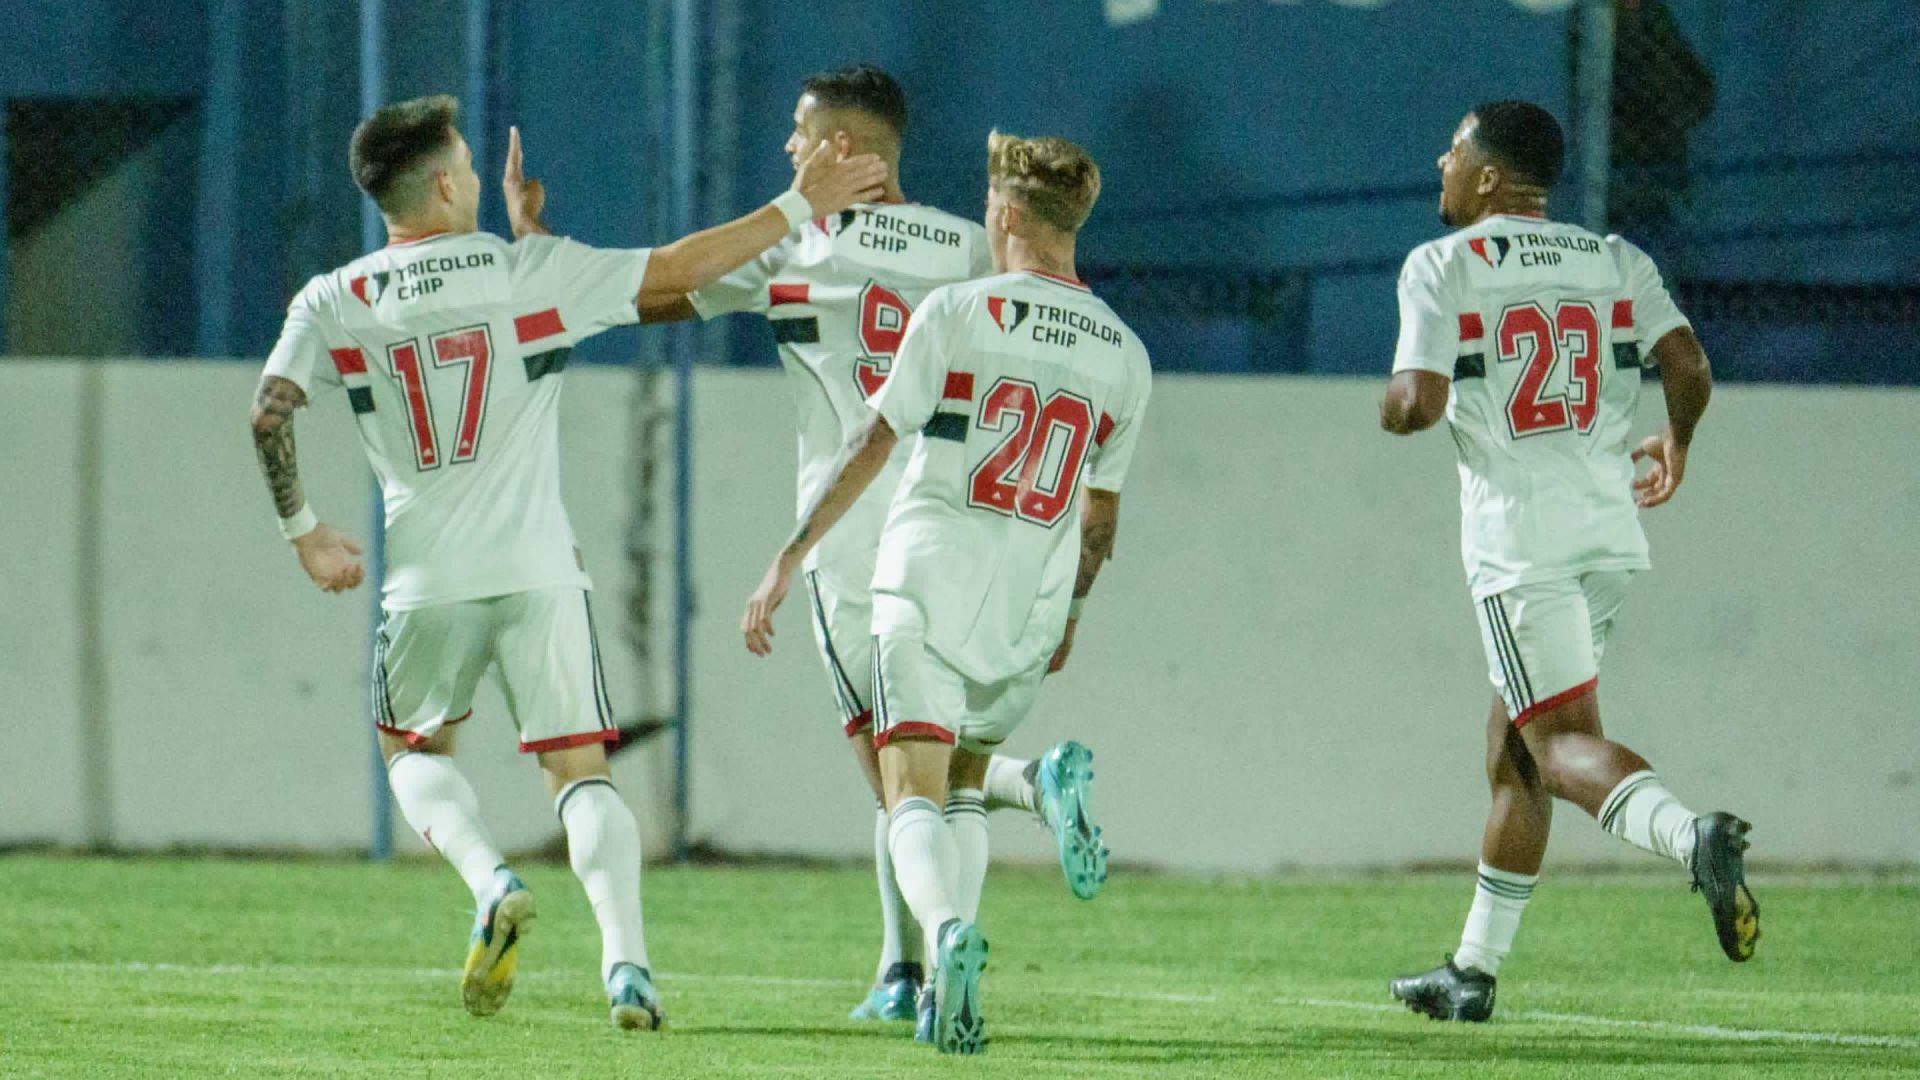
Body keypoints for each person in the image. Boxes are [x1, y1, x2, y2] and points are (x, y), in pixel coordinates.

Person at [247, 93, 885, 1030]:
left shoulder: (334, 296)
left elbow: (268, 409)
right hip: (543, 570)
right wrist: (798, 202)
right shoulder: (527, 273)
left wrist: (303, 529)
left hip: (424, 577)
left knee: (410, 750)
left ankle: (489, 878)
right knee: (584, 775)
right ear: (446, 182)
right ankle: (628, 969)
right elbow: (679, 269)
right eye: (462, 162)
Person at [632, 65, 1108, 1022]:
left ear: (842, 150)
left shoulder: (794, 249)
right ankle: (910, 972)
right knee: (940, 767)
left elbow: (657, 292)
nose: (787, 150)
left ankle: (928, 952)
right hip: (977, 526)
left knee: (899, 776)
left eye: (799, 136)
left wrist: (779, 213)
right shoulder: (974, 245)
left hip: (853, 535)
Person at [740, 131, 1150, 1054]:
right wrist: (1072, 614)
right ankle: (950, 987)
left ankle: (941, 939)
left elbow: (872, 444)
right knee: (964, 786)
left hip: (926, 572)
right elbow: (1099, 523)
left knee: (910, 792)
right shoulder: (1127, 355)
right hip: (1027, 602)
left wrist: (792, 552)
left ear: (1004, 215)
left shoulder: (960, 312)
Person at [1378, 100, 1758, 1023]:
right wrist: (1677, 440)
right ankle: (1472, 971)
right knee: (1514, 751)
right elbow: (1690, 366)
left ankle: (1690, 835)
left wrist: (1394, 403)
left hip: (1522, 545)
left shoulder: (1443, 265)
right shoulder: (1615, 257)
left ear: (1489, 178)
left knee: (1556, 747)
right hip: (1607, 537)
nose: (1441, 158)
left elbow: (1417, 404)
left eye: (1454, 150)